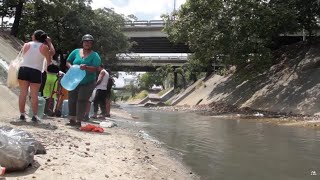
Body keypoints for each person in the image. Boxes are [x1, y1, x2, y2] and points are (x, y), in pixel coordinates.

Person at [66, 34, 101, 127]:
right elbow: (68, 61)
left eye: (89, 42)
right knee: (72, 99)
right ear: (82, 42)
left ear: (92, 44)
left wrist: (86, 67)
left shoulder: (95, 55)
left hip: (88, 82)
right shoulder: (76, 51)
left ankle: (79, 120)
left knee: (81, 99)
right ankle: (72, 119)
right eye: (85, 41)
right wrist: (71, 67)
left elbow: (96, 68)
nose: (87, 43)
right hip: (74, 80)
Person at [18, 30, 51, 122]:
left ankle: (22, 114)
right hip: (36, 71)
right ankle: (35, 115)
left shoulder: (26, 44)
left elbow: (25, 56)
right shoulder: (44, 47)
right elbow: (48, 61)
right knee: (34, 94)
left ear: (34, 36)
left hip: (24, 69)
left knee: (23, 93)